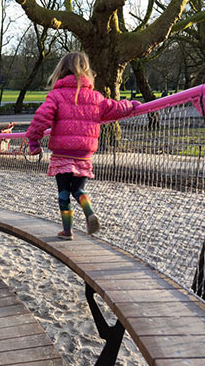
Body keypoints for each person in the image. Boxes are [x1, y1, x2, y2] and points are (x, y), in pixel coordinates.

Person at [26, 52, 140, 240]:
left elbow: (41, 117)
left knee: (63, 192)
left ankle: (67, 231)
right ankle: (89, 213)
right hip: (84, 153)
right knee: (78, 190)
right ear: (86, 71)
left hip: (62, 152)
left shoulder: (56, 95)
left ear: (60, 71)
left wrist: (34, 141)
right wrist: (131, 105)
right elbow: (114, 108)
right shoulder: (95, 97)